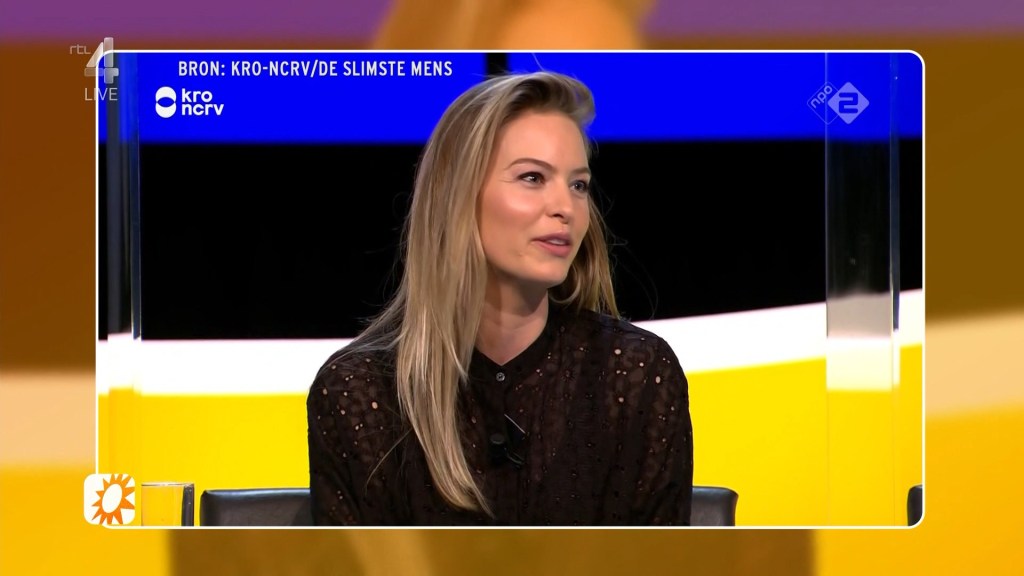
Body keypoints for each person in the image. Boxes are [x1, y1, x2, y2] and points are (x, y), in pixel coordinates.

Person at [307, 71, 693, 526]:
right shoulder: (360, 390)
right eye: (532, 177)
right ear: (457, 197)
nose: (565, 208)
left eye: (579, 185)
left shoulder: (633, 374)